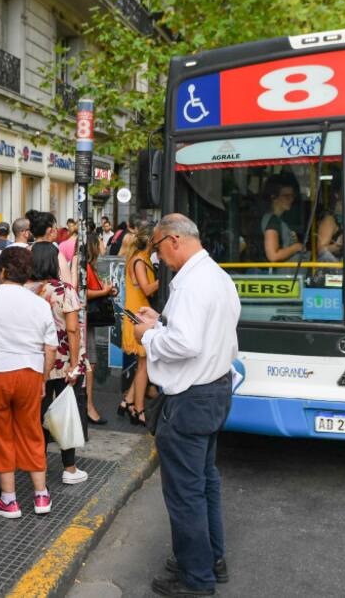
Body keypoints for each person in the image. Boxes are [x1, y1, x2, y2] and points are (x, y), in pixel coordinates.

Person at [132, 214, 238, 597]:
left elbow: (186, 344)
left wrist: (148, 336)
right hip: (214, 390)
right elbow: (200, 333)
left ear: (174, 240)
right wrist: (162, 322)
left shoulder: (193, 284)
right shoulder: (216, 277)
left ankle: (196, 578)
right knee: (205, 482)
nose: (158, 257)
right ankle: (212, 558)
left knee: (185, 492)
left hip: (191, 397)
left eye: (158, 248)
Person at [0, 247, 57, 519]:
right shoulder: (40, 304)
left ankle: (8, 500)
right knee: (31, 432)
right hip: (30, 372)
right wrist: (42, 378)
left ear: (3, 270)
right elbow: (51, 349)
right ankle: (41, 496)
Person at [25, 244, 89, 485]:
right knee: (66, 413)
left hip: (36, 361)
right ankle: (69, 468)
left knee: (38, 414)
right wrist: (75, 365)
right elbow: (72, 329)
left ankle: (37, 463)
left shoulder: (26, 290)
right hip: (63, 361)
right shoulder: (65, 291)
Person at [121, 226, 159, 425]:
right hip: (139, 316)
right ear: (151, 242)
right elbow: (147, 289)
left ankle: (127, 401)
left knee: (142, 364)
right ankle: (138, 409)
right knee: (144, 365)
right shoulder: (139, 261)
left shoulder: (138, 259)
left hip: (139, 314)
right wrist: (165, 279)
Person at [84, 223, 118, 425]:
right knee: (90, 362)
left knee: (91, 362)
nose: (104, 244)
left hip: (89, 320)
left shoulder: (90, 266)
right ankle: (88, 406)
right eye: (101, 242)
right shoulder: (87, 267)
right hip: (87, 320)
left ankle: (88, 405)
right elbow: (84, 292)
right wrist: (105, 292)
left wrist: (106, 290)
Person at [261, 177, 305, 263]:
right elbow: (273, 256)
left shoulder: (278, 219)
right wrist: (296, 247)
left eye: (292, 196)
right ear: (274, 197)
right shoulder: (273, 221)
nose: (291, 199)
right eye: (286, 196)